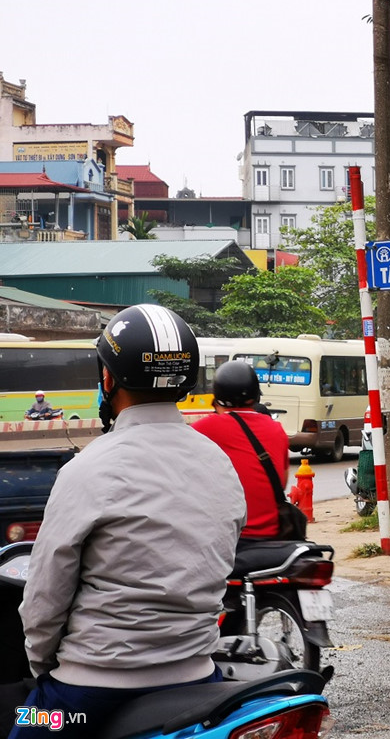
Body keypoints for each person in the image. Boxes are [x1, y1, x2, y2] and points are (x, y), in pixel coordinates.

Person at [13, 305, 246, 739]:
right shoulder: (219, 463)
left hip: (85, 697)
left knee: (20, 719)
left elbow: (45, 597)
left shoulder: (89, 467)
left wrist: (45, 668)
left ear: (108, 379)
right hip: (198, 683)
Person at [192, 360, 289, 540]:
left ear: (216, 399)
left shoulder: (204, 428)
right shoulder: (276, 428)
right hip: (274, 537)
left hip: (230, 539)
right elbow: (281, 483)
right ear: (256, 397)